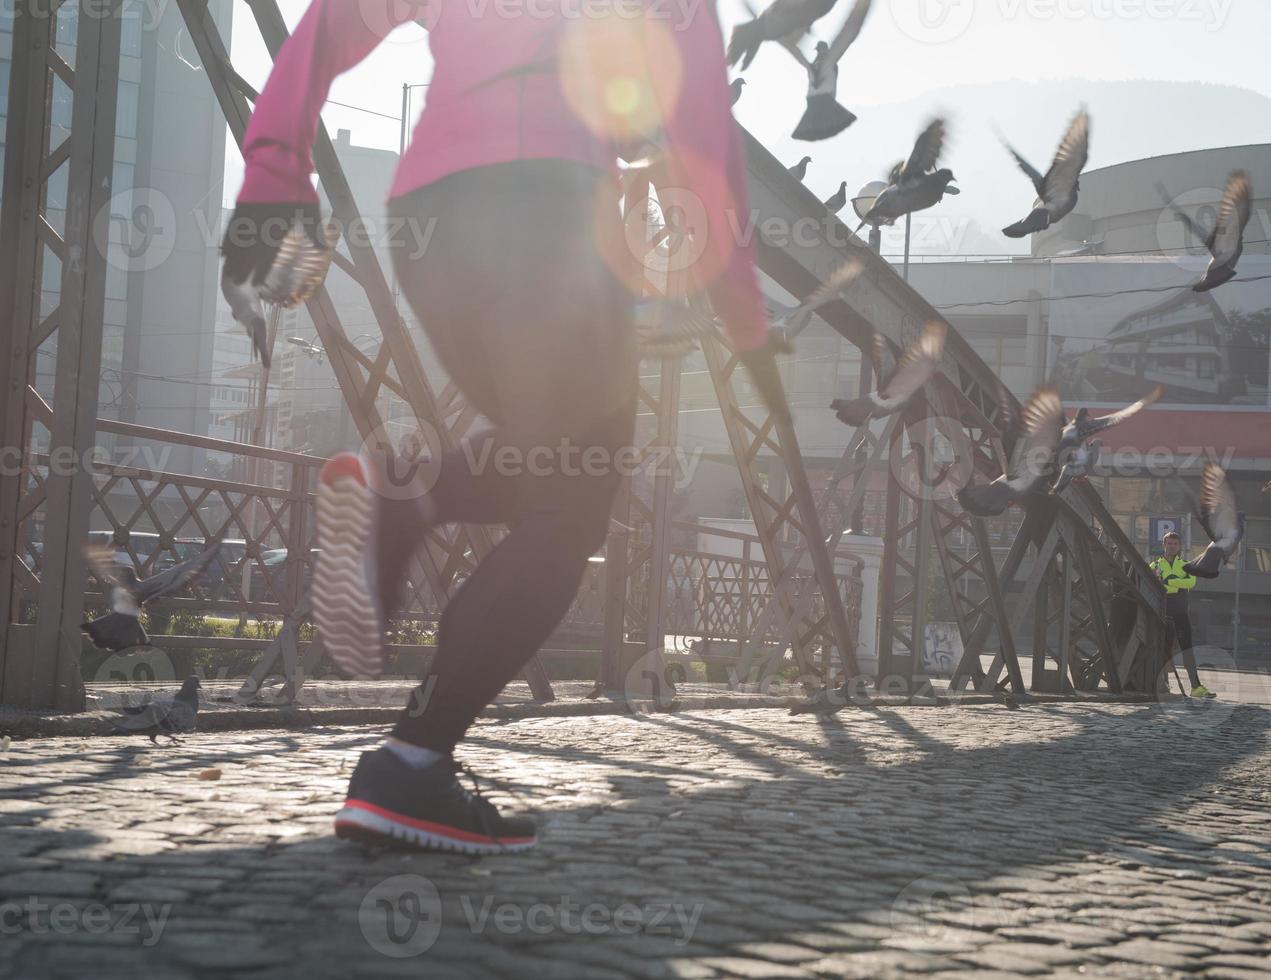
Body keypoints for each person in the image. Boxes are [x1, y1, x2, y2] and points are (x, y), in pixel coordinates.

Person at [220, 0, 789, 853]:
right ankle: (409, 759)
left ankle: (407, 514)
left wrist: (274, 175)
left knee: (551, 464)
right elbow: (705, 144)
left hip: (432, 220)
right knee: (570, 514)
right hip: (552, 219)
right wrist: (746, 329)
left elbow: (332, 23)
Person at [1151, 531, 1216, 699]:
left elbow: (1190, 582)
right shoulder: (1154, 566)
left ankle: (1196, 688)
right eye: (1169, 543)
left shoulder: (1186, 565)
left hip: (1180, 614)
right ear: (1163, 545)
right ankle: (1158, 685)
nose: (1172, 547)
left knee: (1188, 651)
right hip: (1162, 614)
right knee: (1159, 650)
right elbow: (1154, 585)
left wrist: (1167, 582)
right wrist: (1175, 585)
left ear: (1179, 547)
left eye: (1175, 544)